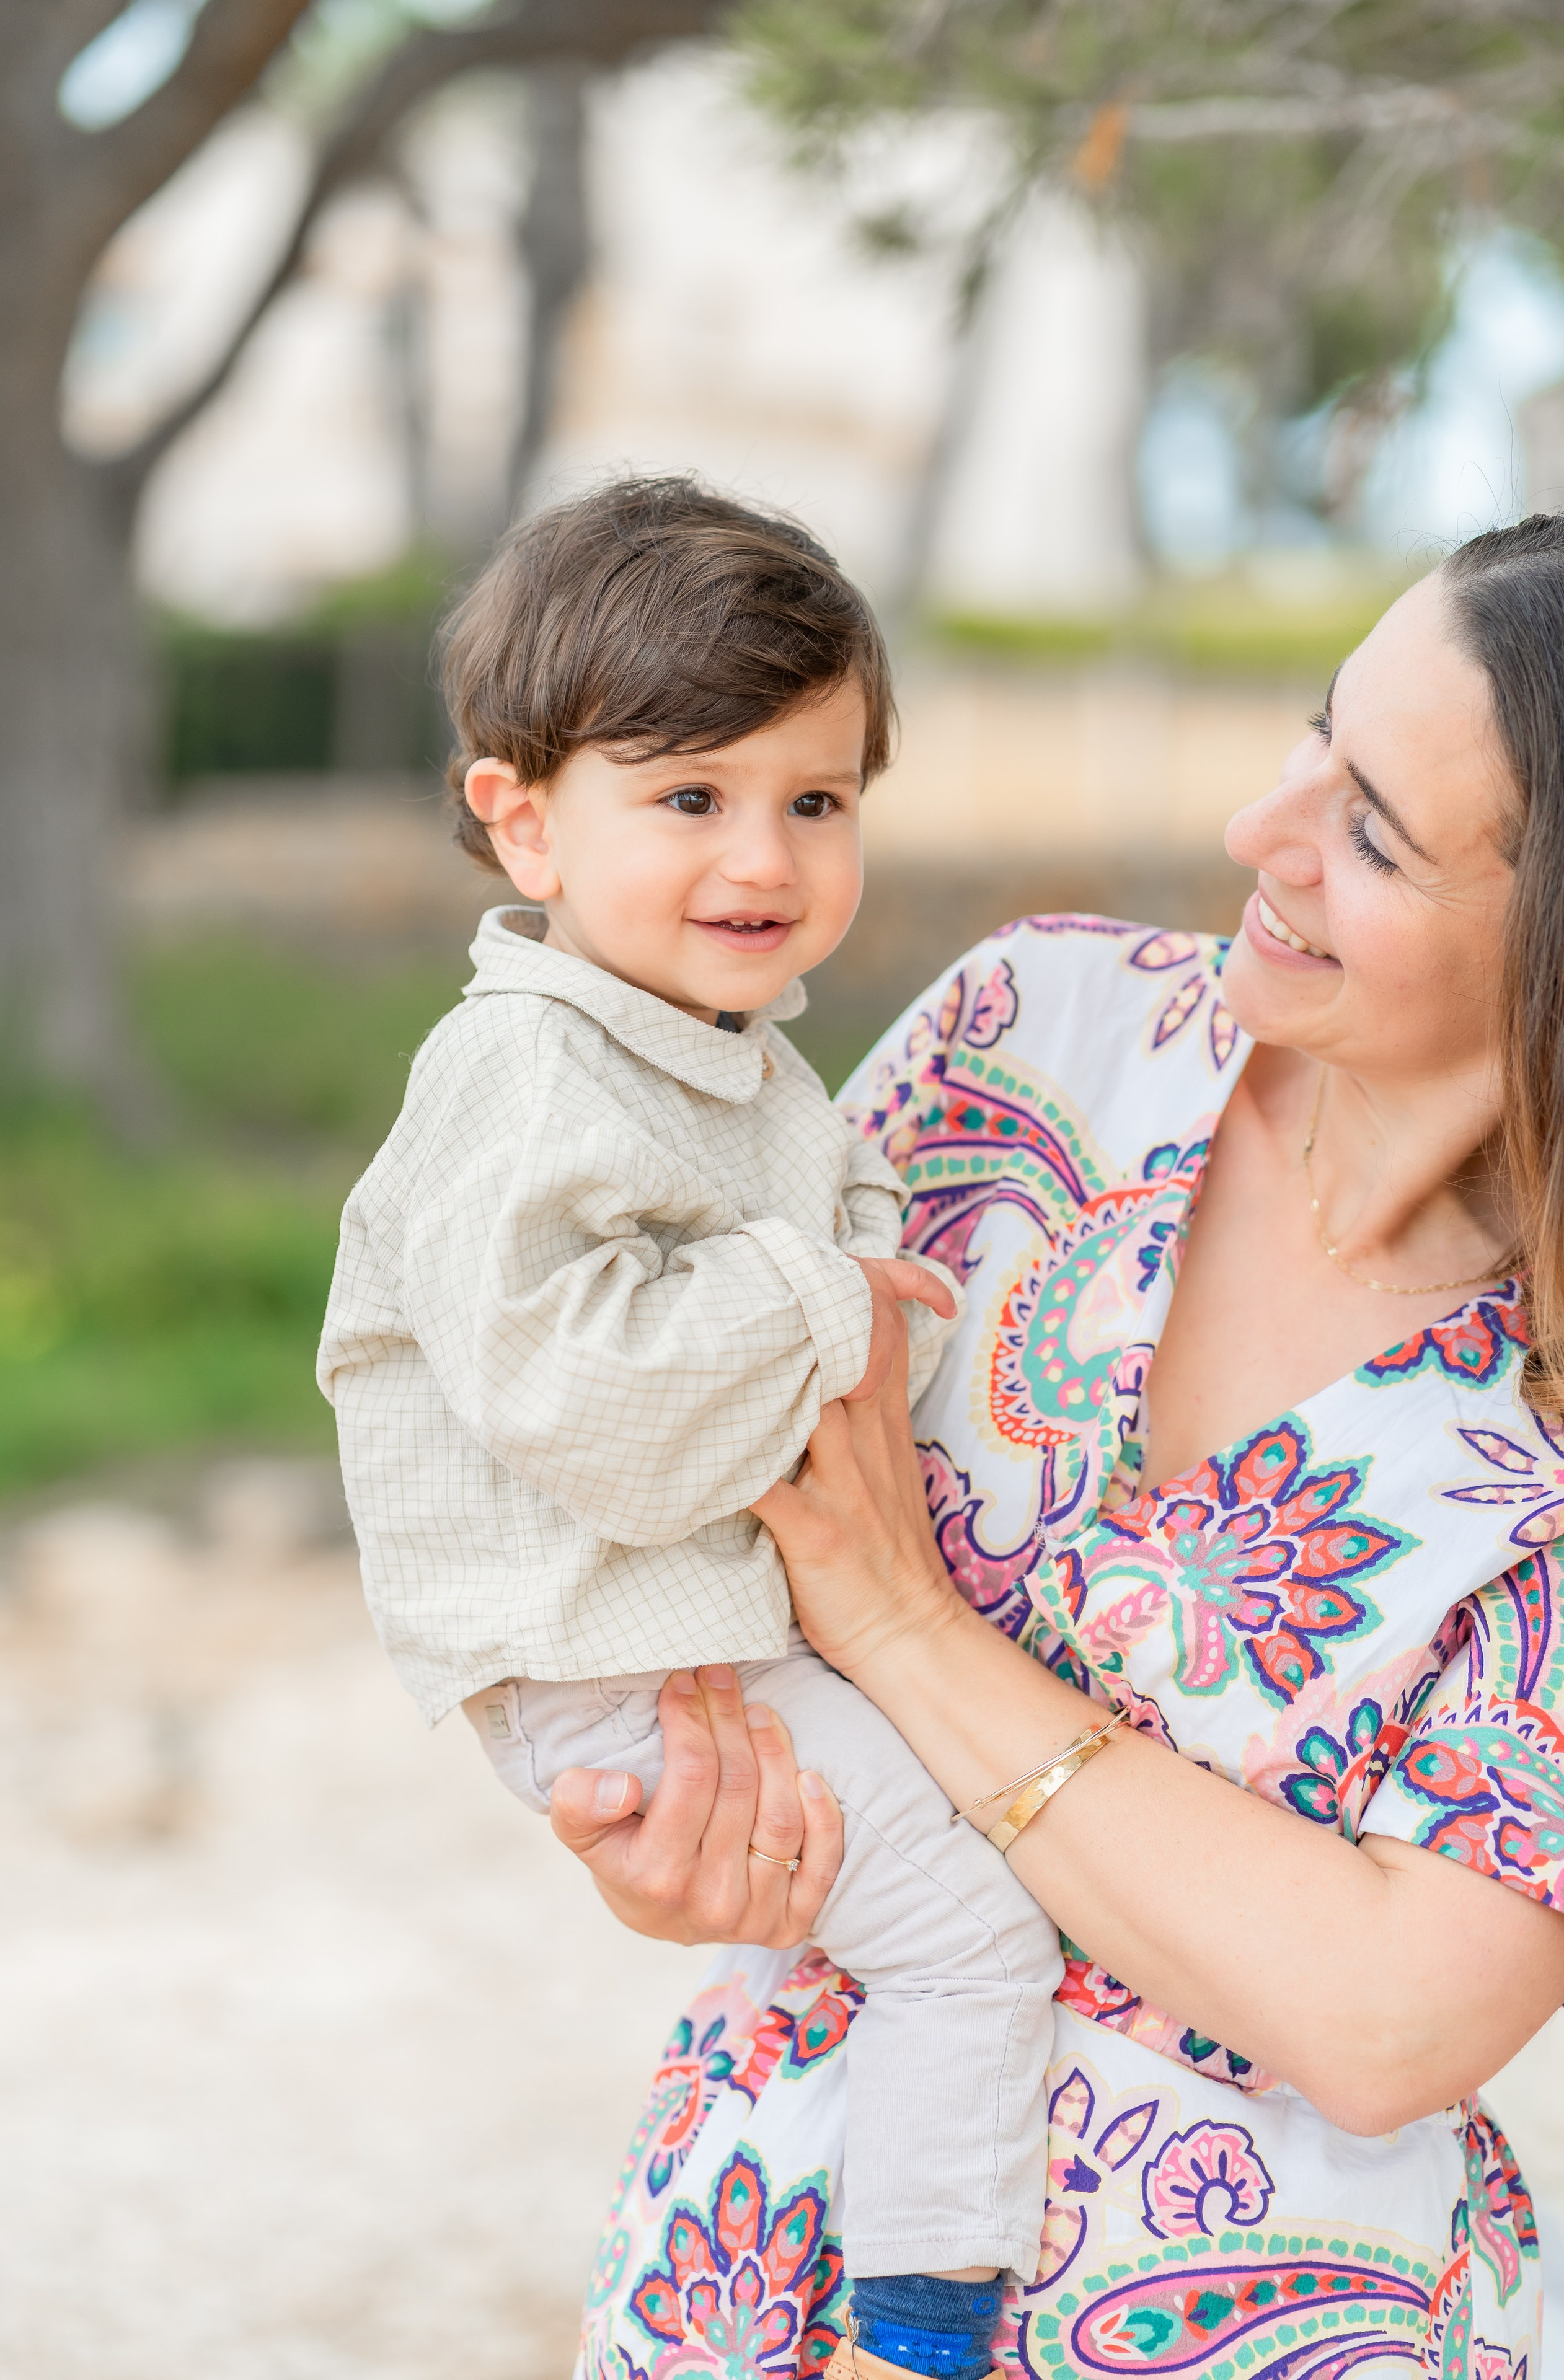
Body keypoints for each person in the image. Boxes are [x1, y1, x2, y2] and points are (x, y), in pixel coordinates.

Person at [552, 515, 1564, 2380]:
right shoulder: (1032, 1034)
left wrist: (911, 1629)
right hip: (768, 2237)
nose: (1266, 836)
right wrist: (682, 1834)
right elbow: (694, 1498)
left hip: (1259, 2325)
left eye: (1377, 836)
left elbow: (1390, 2020)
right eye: (1314, 737)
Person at [317, 475, 1091, 2375]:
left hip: (663, 1623)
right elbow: (586, 1398)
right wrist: (835, 1290)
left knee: (905, 1912)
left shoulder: (700, 1045)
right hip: (611, 1653)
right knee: (972, 1929)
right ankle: (924, 2324)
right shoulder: (524, 1070)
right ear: (520, 817)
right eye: (691, 798)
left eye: (814, 800)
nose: (766, 856)